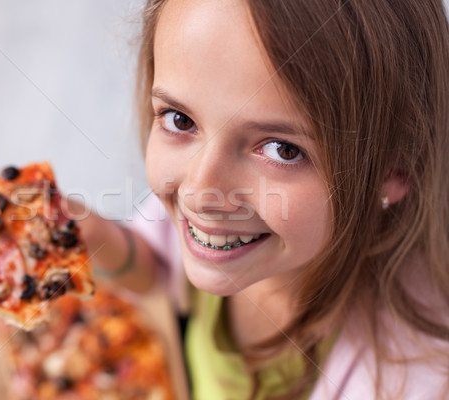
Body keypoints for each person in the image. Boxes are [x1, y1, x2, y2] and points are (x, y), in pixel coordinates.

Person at [69, 0, 449, 398]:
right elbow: (157, 275)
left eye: (282, 150)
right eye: (180, 120)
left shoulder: (409, 379)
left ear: (394, 171)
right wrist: (94, 236)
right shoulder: (210, 225)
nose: (200, 193)